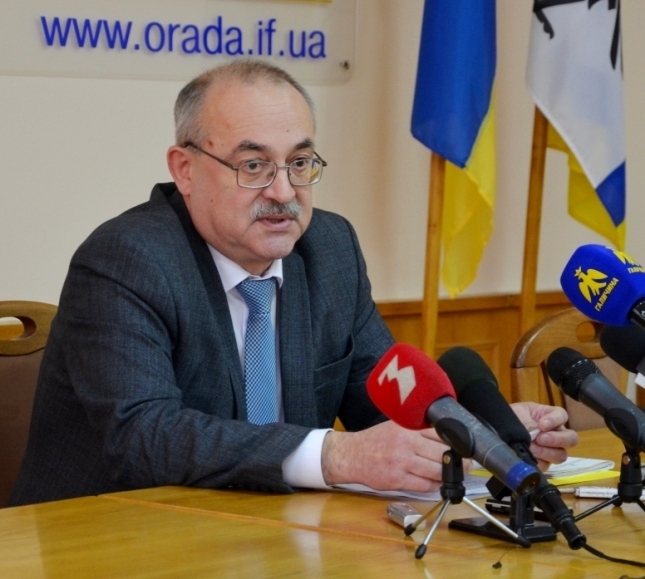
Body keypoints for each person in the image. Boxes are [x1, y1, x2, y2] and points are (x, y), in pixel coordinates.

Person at [9, 60, 577, 506]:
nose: (283, 192)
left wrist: (480, 435)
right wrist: (336, 456)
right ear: (185, 169)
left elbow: (380, 405)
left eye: (300, 162)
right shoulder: (126, 261)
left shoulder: (329, 249)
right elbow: (144, 437)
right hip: (112, 538)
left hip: (274, 534)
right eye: (253, 166)